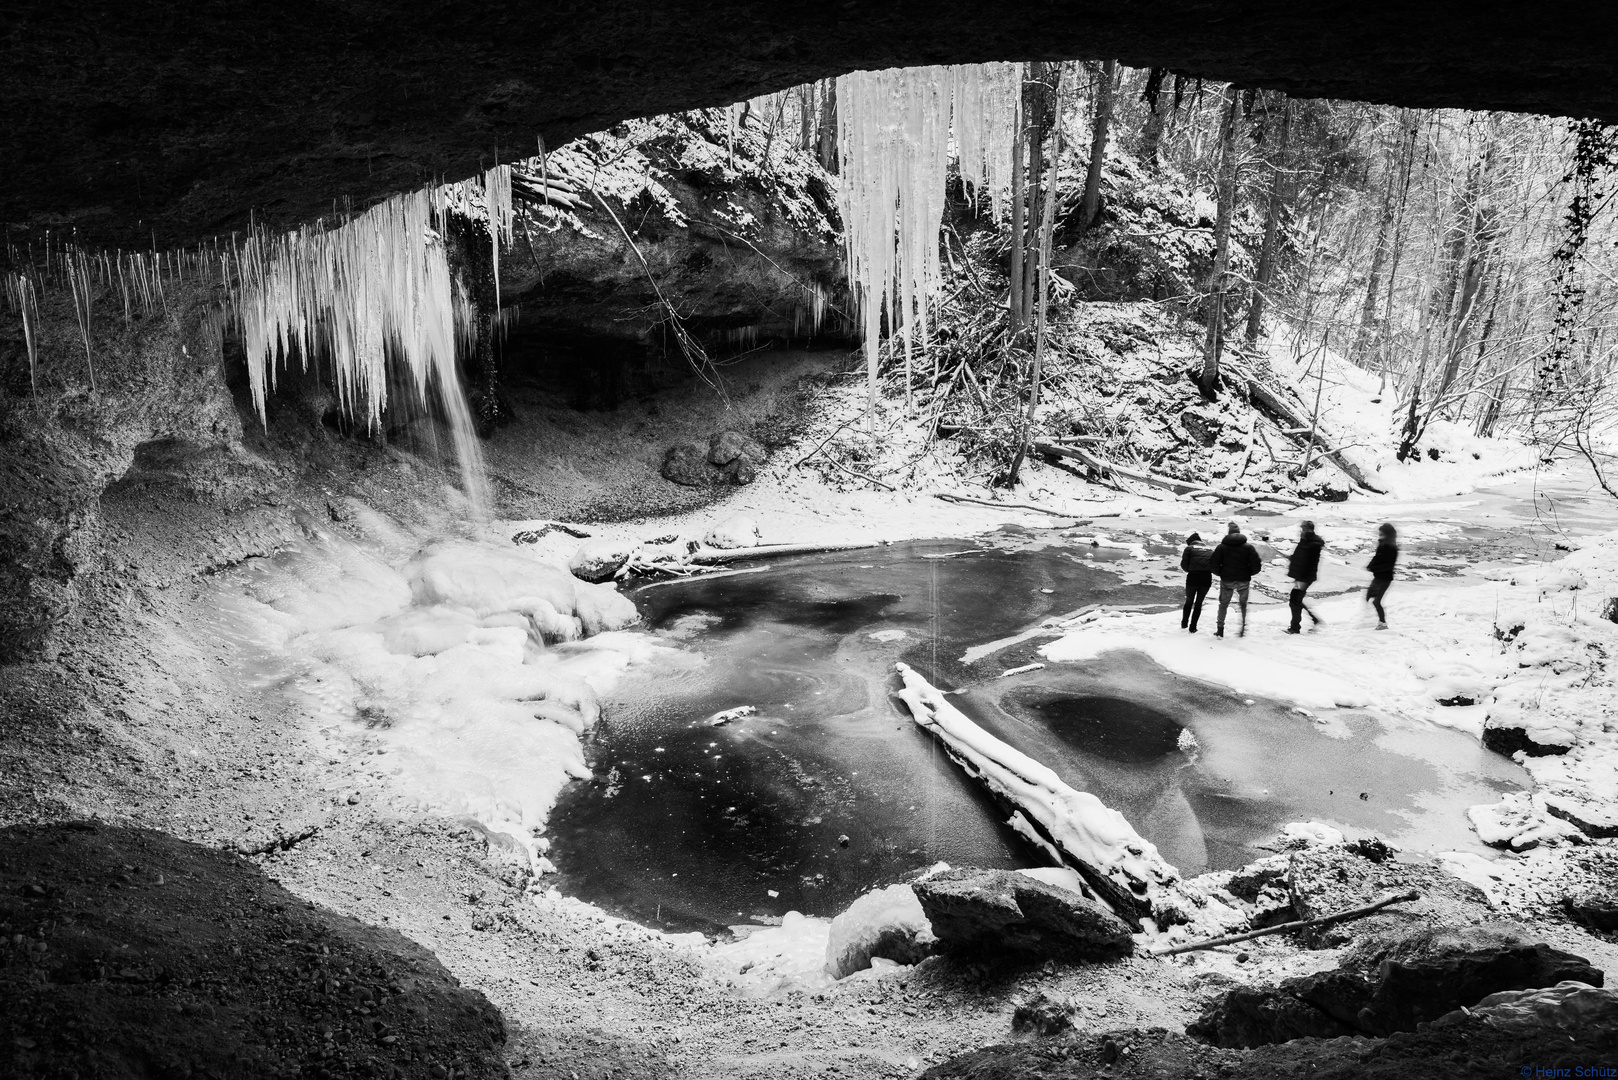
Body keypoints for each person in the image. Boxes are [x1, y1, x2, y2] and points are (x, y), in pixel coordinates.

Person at [1209, 521, 1262, 638]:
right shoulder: (1248, 548)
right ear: (1239, 532)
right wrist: (1249, 573)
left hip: (1227, 580)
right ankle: (1243, 628)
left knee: (1223, 604)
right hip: (1243, 580)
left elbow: (1213, 565)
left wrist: (1221, 573)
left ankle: (1220, 629)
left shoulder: (1221, 547)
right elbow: (1257, 565)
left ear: (1229, 533)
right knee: (1243, 604)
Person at [1284, 520, 1324, 634]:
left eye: (1303, 528)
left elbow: (1308, 561)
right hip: (1301, 577)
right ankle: (1312, 620)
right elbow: (1301, 556)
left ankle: (1295, 627)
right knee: (1296, 600)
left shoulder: (1313, 544)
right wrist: (1293, 558)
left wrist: (1296, 560)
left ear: (1309, 529)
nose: (1301, 531)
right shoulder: (1305, 540)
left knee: (1295, 600)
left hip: (1304, 577)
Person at [1366, 523, 1399, 629]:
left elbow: (1389, 565)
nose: (1380, 536)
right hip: (1378, 576)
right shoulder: (1382, 544)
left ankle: (1383, 623)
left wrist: (1375, 568)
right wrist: (1370, 566)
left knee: (1377, 601)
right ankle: (1367, 618)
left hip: (1385, 578)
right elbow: (1376, 558)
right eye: (1379, 534)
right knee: (1368, 596)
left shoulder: (1392, 548)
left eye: (1382, 534)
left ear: (1388, 535)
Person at [1179, 532, 1214, 633]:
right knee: (1199, 603)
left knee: (1189, 601)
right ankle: (1193, 627)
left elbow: (1184, 565)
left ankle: (1184, 623)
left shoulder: (1189, 549)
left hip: (1193, 578)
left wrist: (1190, 570)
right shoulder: (1210, 550)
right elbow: (1214, 566)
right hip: (1206, 579)